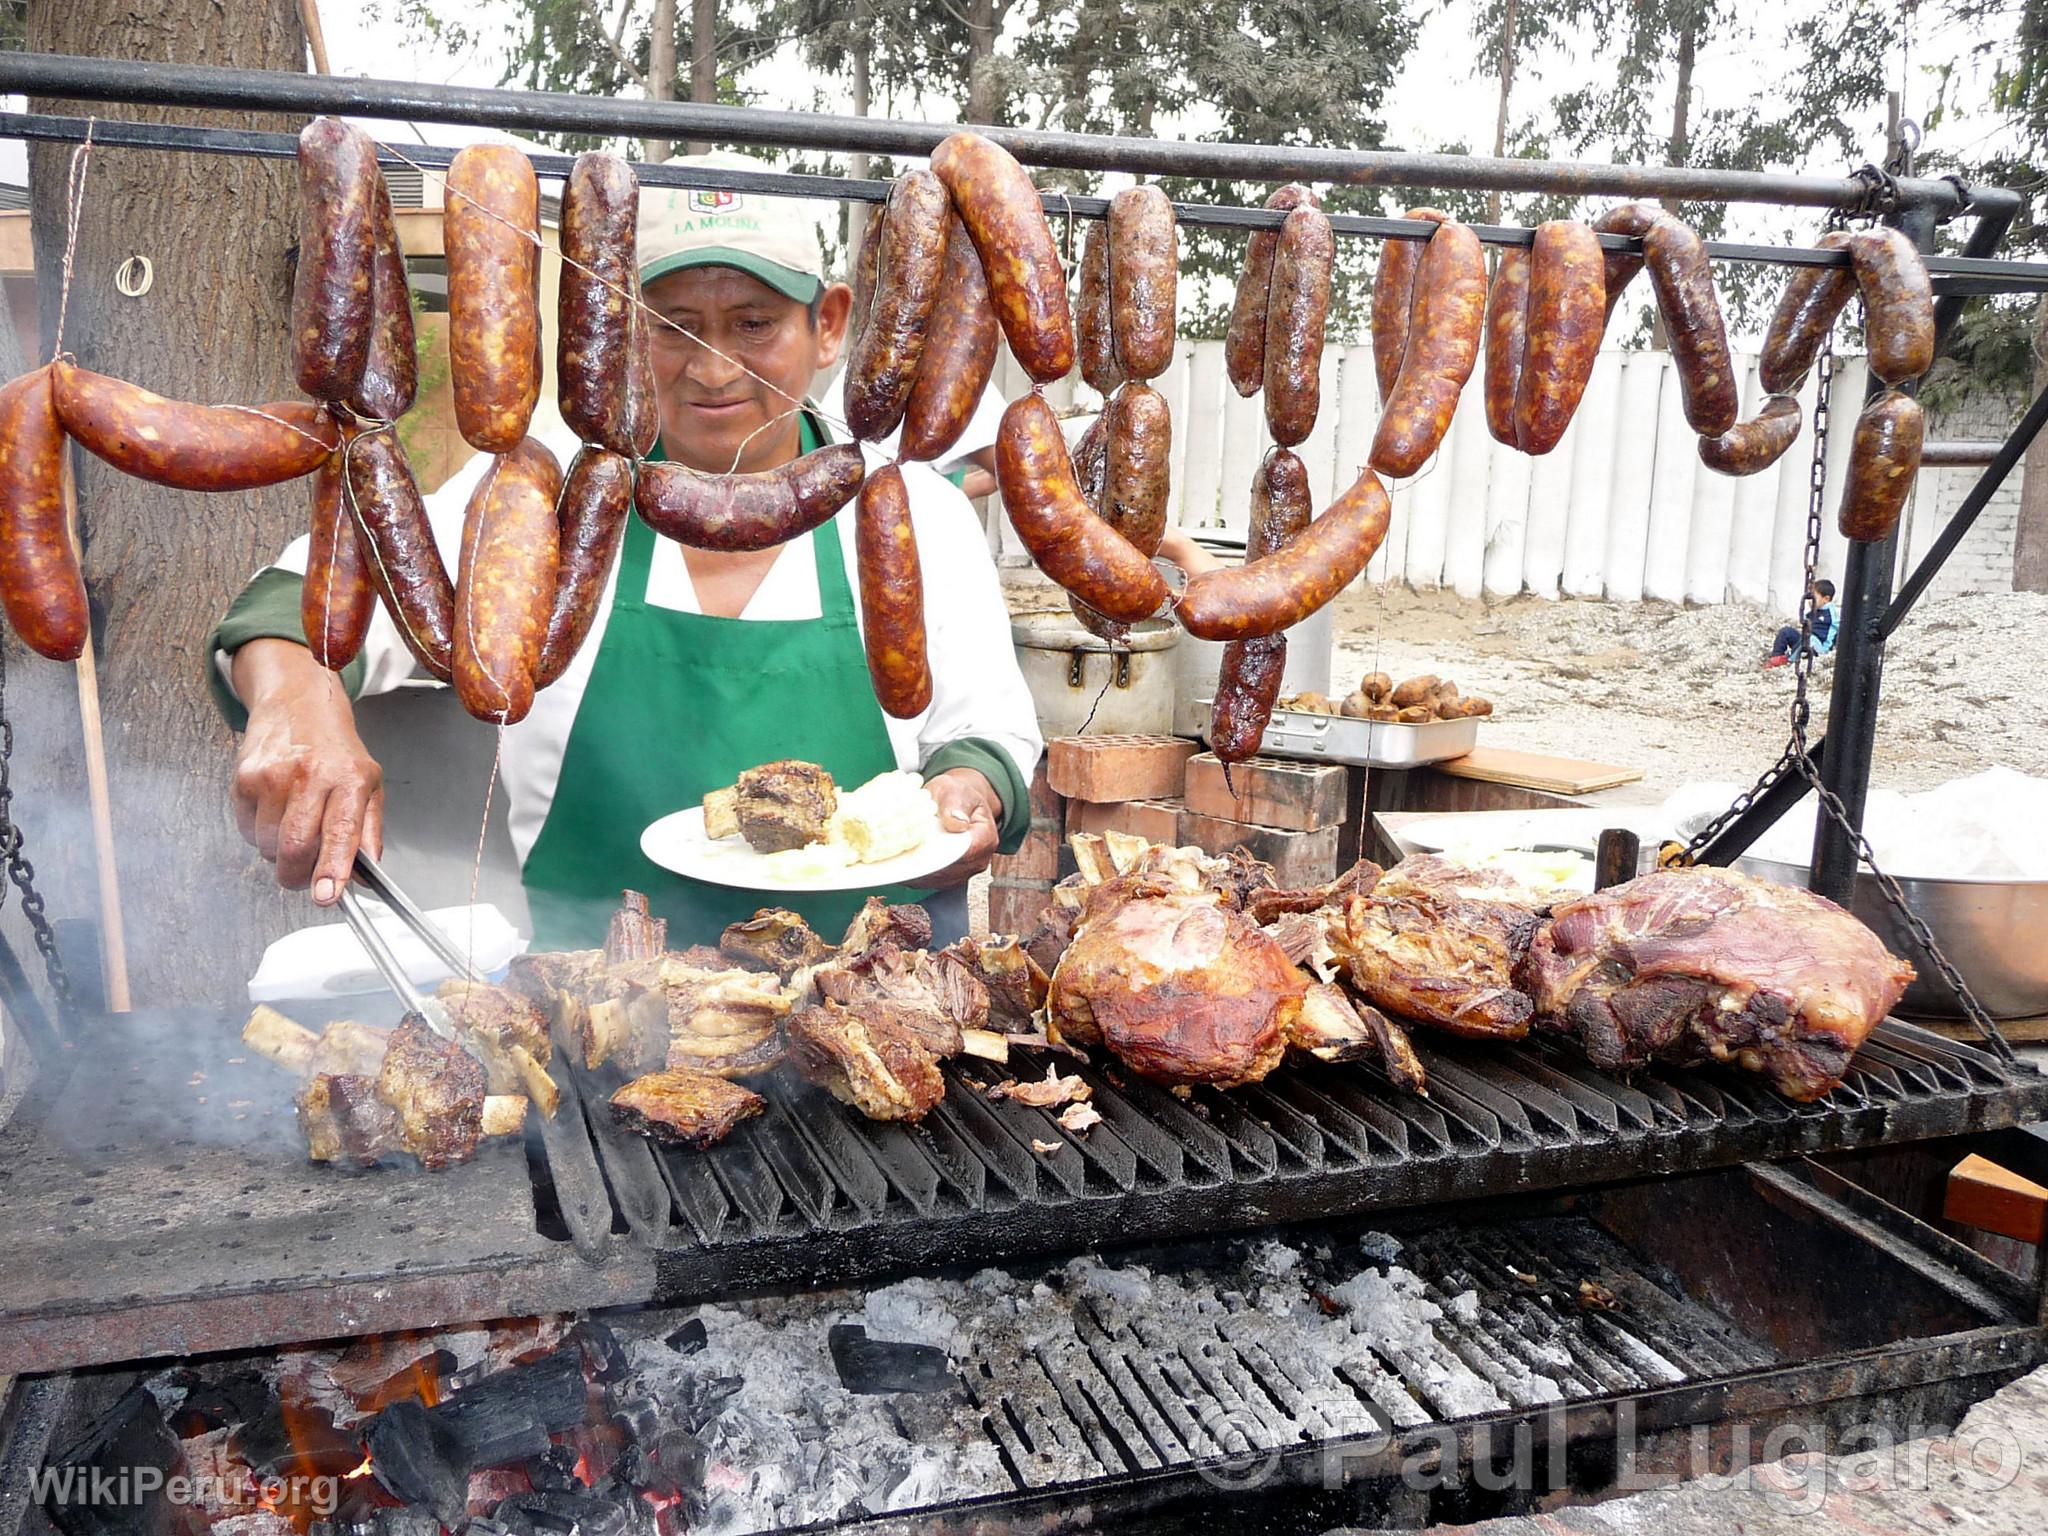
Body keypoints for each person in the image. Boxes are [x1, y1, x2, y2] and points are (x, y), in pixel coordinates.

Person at [211, 154, 1043, 949]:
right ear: (613, 332)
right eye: (671, 327)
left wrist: (968, 791)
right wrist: (296, 698)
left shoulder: (916, 516)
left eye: (752, 324)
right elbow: (300, 597)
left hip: (877, 1002)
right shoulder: (538, 503)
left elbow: (987, 734)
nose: (712, 369)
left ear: (827, 325)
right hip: (597, 1015)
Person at [1764, 579, 1837, 668]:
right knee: (1786, 632)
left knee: (1809, 639)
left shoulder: (1831, 614)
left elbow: (1839, 628)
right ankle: (1776, 657)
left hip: (1819, 648)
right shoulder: (1813, 612)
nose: (1810, 601)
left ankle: (1788, 659)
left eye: (1813, 598)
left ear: (1826, 599)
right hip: (1805, 642)